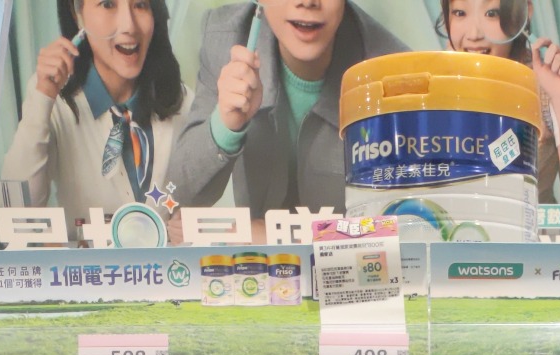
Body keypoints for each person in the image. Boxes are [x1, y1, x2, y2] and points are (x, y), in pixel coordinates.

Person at [170, 0, 402, 220]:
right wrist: (225, 124)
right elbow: (174, 199)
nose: (307, 2)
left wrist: (265, 233)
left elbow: (397, 224)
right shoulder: (227, 38)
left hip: (341, 249)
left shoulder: (391, 71)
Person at [2, 0, 187, 239]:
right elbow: (15, 216)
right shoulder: (54, 99)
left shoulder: (182, 102)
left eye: (140, 5)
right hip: (88, 262)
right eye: (108, 4)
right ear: (77, 14)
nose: (129, 25)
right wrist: (43, 97)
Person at [439, 0, 560, 206]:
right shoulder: (429, 81)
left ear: (523, 12)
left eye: (492, 13)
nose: (474, 34)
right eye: (460, 13)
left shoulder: (549, 80)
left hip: (533, 226)